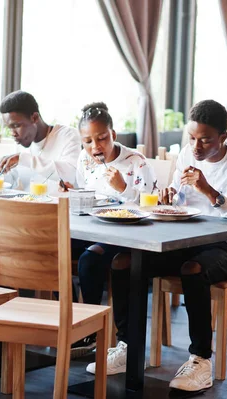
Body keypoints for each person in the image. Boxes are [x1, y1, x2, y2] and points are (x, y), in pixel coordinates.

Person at [85, 100, 227, 393]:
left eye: (205, 140)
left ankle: (200, 360)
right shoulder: (185, 155)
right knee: (123, 261)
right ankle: (128, 347)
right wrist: (171, 197)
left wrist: (210, 192)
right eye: (191, 138)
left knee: (193, 269)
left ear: (223, 137)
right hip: (186, 239)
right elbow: (182, 201)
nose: (196, 146)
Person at [62, 102, 156, 355]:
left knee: (90, 259)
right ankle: (63, 322)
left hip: (126, 234)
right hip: (93, 227)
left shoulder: (137, 162)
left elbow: (149, 205)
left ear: (113, 135)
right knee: (53, 246)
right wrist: (72, 191)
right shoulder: (85, 158)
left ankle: (89, 331)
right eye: (88, 141)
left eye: (102, 138)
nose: (95, 147)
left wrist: (123, 187)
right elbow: (86, 192)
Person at [0, 90, 80, 189]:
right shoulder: (22, 142)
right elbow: (16, 182)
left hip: (56, 206)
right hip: (26, 205)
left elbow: (70, 175)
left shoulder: (68, 135)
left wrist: (23, 159)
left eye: (16, 125)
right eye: (9, 128)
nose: (13, 133)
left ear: (34, 117)